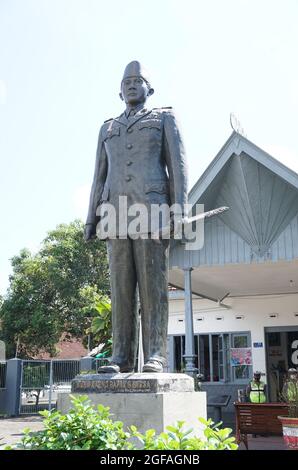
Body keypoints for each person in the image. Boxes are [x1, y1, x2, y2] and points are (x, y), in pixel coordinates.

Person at [84, 61, 187, 373]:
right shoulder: (108, 128)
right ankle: (121, 357)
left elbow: (178, 167)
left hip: (153, 211)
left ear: (149, 88)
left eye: (137, 80)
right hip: (113, 214)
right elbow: (98, 176)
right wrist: (91, 219)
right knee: (121, 289)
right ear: (119, 90)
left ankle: (155, 354)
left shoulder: (163, 118)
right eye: (126, 81)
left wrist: (179, 210)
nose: (131, 85)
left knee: (153, 287)